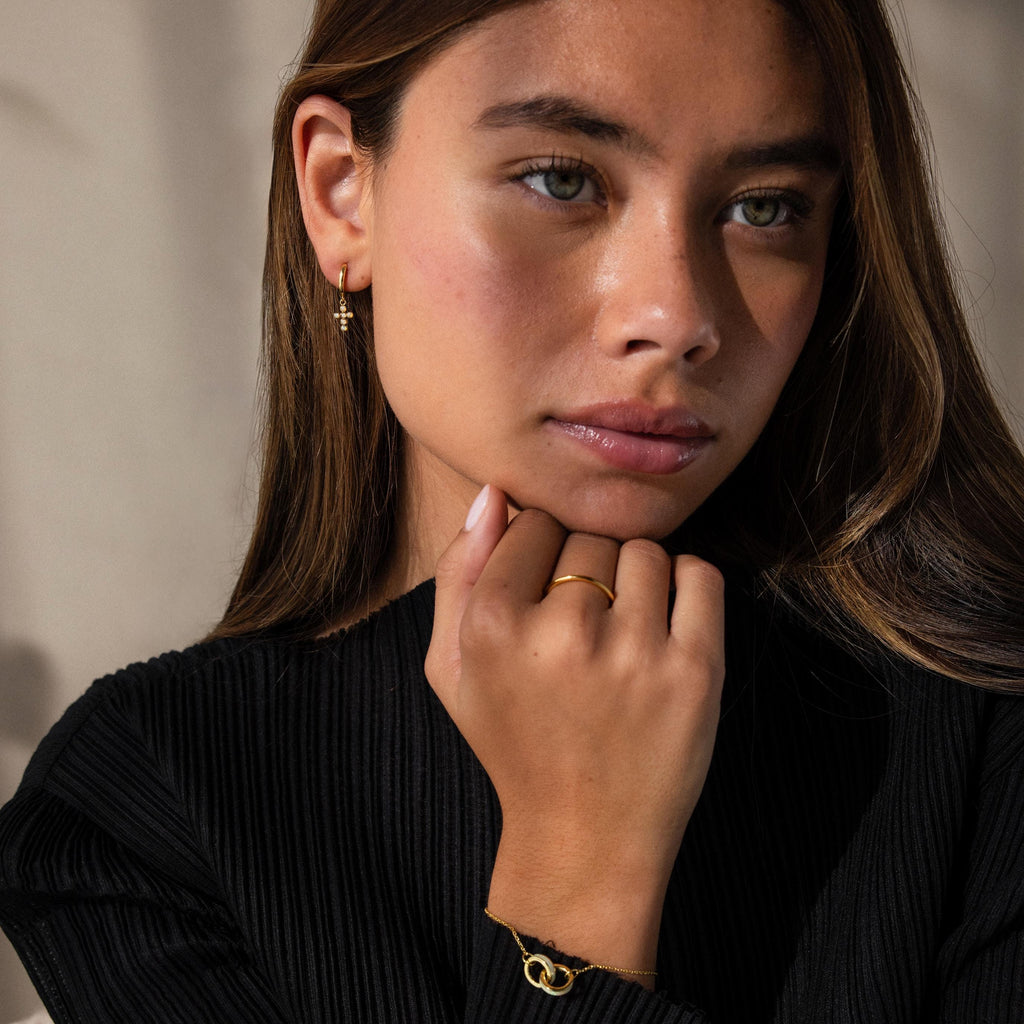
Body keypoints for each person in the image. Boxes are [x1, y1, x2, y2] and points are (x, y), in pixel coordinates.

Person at [1, 0, 1023, 1020]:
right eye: (561, 180)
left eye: (764, 208)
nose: (674, 317)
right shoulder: (144, 805)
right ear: (342, 193)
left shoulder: (983, 716)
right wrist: (581, 874)